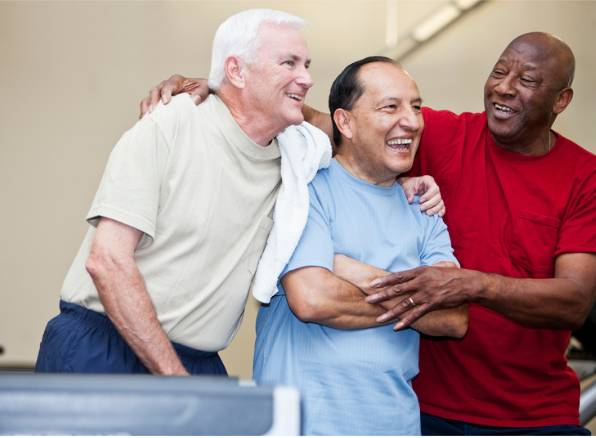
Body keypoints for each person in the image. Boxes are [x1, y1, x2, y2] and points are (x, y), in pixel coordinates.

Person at [146, 32, 595, 434]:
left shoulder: (579, 176)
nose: (504, 87)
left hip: (533, 413)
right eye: (500, 71)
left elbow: (485, 314)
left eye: (528, 80)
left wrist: (466, 284)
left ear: (561, 100)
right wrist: (231, 92)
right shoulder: (329, 183)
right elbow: (312, 297)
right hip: (429, 406)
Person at [35, 8, 321, 376]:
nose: (307, 78)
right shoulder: (172, 121)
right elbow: (107, 261)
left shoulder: (296, 152)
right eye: (289, 63)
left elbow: (359, 137)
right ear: (236, 71)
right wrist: (176, 381)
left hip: (195, 362)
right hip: (103, 347)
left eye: (307, 65)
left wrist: (409, 181)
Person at [255, 57, 468, 435]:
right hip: (305, 425)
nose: (413, 121)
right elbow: (312, 300)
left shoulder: (423, 206)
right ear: (345, 122)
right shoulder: (307, 189)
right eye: (391, 107)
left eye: (416, 107)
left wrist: (348, 268)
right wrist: (415, 298)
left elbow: (453, 318)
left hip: (395, 424)